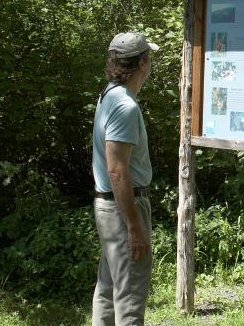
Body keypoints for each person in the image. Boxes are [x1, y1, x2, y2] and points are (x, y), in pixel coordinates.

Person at [92, 32, 159, 325]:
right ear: (143, 63)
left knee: (108, 291)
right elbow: (117, 169)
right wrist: (133, 225)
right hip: (124, 209)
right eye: (150, 58)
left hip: (108, 207)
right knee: (130, 299)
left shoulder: (109, 94)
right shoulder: (125, 106)